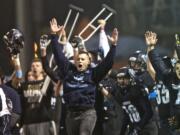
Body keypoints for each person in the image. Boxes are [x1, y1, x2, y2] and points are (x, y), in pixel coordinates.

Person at [49, 17, 118, 135]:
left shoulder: (93, 73)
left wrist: (113, 46)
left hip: (87, 113)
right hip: (70, 114)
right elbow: (58, 55)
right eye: (78, 59)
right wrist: (53, 35)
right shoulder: (68, 70)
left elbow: (107, 64)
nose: (80, 61)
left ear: (88, 62)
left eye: (83, 59)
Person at [100, 67, 153, 135]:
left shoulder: (137, 90)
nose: (121, 81)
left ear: (131, 78)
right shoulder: (122, 93)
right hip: (134, 127)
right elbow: (127, 115)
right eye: (119, 78)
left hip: (146, 127)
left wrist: (138, 128)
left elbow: (149, 113)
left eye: (124, 78)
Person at [145, 31, 180, 134]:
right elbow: (156, 64)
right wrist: (151, 47)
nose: (179, 70)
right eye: (177, 68)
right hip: (171, 122)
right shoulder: (170, 78)